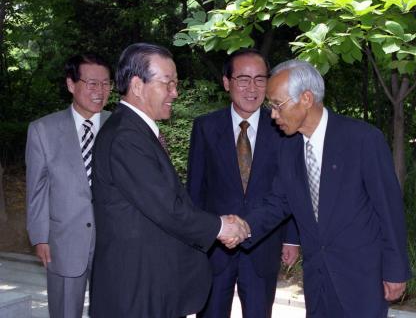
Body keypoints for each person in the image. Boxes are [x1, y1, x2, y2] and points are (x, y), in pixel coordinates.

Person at [241, 60, 412, 317]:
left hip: (362, 277)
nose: (273, 114)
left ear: (306, 98)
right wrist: (241, 227)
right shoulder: (288, 148)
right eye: (271, 106)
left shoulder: (363, 139)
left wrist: (396, 270)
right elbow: (278, 202)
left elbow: (388, 210)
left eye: (277, 105)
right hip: (317, 278)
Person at [89, 43, 249, 318]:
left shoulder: (134, 131)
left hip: (150, 282)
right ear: (138, 85)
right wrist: (221, 227)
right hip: (136, 290)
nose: (175, 92)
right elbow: (167, 208)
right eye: (168, 83)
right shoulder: (126, 137)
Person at [187, 49, 300, 318]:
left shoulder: (283, 128)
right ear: (227, 82)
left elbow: (292, 189)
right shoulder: (205, 127)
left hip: (265, 242)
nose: (252, 88)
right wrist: (195, 241)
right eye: (243, 79)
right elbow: (195, 189)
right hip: (216, 246)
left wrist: (293, 239)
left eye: (260, 79)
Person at [25, 53, 113, 318]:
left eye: (106, 83)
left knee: (111, 308)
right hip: (64, 240)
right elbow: (37, 189)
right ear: (71, 84)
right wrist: (40, 237)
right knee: (64, 311)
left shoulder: (119, 126)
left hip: (114, 240)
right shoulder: (43, 130)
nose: (100, 91)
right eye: (91, 83)